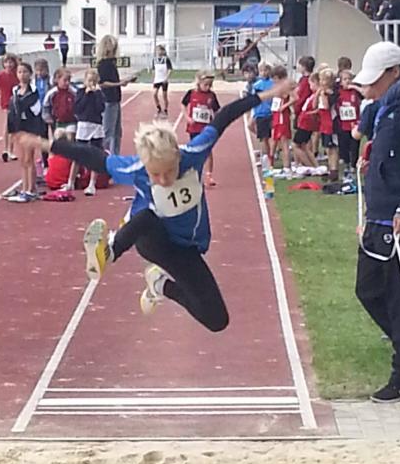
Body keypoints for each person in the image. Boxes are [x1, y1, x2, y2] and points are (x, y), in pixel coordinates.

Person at [25, 79, 292, 330]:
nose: (164, 180)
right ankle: (109, 252)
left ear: (177, 157)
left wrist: (268, 94)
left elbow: (224, 116)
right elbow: (92, 157)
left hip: (186, 248)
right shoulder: (136, 168)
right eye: (156, 175)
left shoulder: (193, 154)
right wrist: (45, 144)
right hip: (153, 241)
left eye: (169, 171)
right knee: (148, 216)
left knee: (217, 320)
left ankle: (160, 284)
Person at [353, 41, 400, 402]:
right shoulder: (385, 106)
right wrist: (373, 167)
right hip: (378, 215)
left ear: (395, 73)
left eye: (375, 79)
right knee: (367, 289)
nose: (369, 86)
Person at [4, 61, 42, 203]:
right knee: (22, 160)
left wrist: (20, 106)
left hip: (30, 126)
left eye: (25, 72)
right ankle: (25, 188)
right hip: (19, 127)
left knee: (29, 158)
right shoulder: (15, 90)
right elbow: (12, 110)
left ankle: (30, 190)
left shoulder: (33, 90)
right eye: (19, 72)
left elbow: (35, 109)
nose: (22, 75)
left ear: (30, 74)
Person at [180, 69, 220, 187]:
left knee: (208, 152)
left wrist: (215, 121)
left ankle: (209, 175)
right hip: (194, 127)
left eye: (210, 85)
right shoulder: (191, 93)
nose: (207, 87)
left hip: (206, 129)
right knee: (194, 151)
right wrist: (187, 117)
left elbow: (216, 110)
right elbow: (183, 104)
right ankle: (195, 174)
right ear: (199, 83)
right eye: (205, 85)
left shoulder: (211, 96)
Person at [96, 34, 135, 155]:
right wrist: (119, 83)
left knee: (117, 132)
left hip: (115, 99)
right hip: (108, 100)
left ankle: (115, 155)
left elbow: (112, 80)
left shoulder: (111, 63)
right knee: (109, 131)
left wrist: (123, 81)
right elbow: (102, 83)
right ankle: (104, 155)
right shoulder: (103, 64)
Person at [74, 68, 106, 196]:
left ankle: (92, 183)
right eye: (89, 80)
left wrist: (96, 93)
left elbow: (101, 108)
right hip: (83, 125)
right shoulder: (81, 92)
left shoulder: (99, 94)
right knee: (77, 154)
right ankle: (71, 181)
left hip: (96, 125)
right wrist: (86, 94)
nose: (91, 83)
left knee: (95, 154)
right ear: (85, 81)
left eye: (94, 81)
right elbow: (78, 108)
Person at [335, 70, 361, 173]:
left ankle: (353, 164)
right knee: (344, 144)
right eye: (345, 79)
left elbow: (363, 94)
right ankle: (346, 162)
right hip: (343, 124)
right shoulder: (339, 93)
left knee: (354, 145)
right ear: (341, 82)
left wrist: (355, 87)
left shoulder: (355, 92)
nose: (347, 81)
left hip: (354, 123)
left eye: (349, 79)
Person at [270, 65, 294, 174]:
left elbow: (295, 98)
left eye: (274, 79)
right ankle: (270, 164)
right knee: (274, 139)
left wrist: (284, 106)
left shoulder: (286, 87)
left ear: (278, 77)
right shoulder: (277, 86)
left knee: (284, 141)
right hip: (276, 115)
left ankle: (286, 167)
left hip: (282, 117)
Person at [0, 53, 19, 162]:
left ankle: (10, 150)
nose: (8, 65)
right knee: (7, 126)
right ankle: (6, 150)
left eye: (11, 62)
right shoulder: (0, 76)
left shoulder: (17, 75)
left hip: (16, 103)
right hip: (6, 102)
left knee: (13, 128)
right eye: (6, 62)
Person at [252, 62, 274, 162]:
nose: (263, 73)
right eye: (261, 71)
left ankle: (271, 155)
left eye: (266, 70)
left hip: (270, 113)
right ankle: (266, 156)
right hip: (260, 114)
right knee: (263, 138)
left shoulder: (273, 84)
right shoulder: (256, 85)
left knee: (272, 136)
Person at [152, 44, 173, 117]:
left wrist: (166, 78)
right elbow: (153, 70)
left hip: (164, 79)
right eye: (157, 50)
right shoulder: (154, 60)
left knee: (164, 96)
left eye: (160, 50)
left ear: (163, 51)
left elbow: (170, 69)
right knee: (154, 94)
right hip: (157, 79)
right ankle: (159, 108)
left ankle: (166, 109)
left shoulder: (166, 59)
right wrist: (153, 79)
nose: (158, 52)